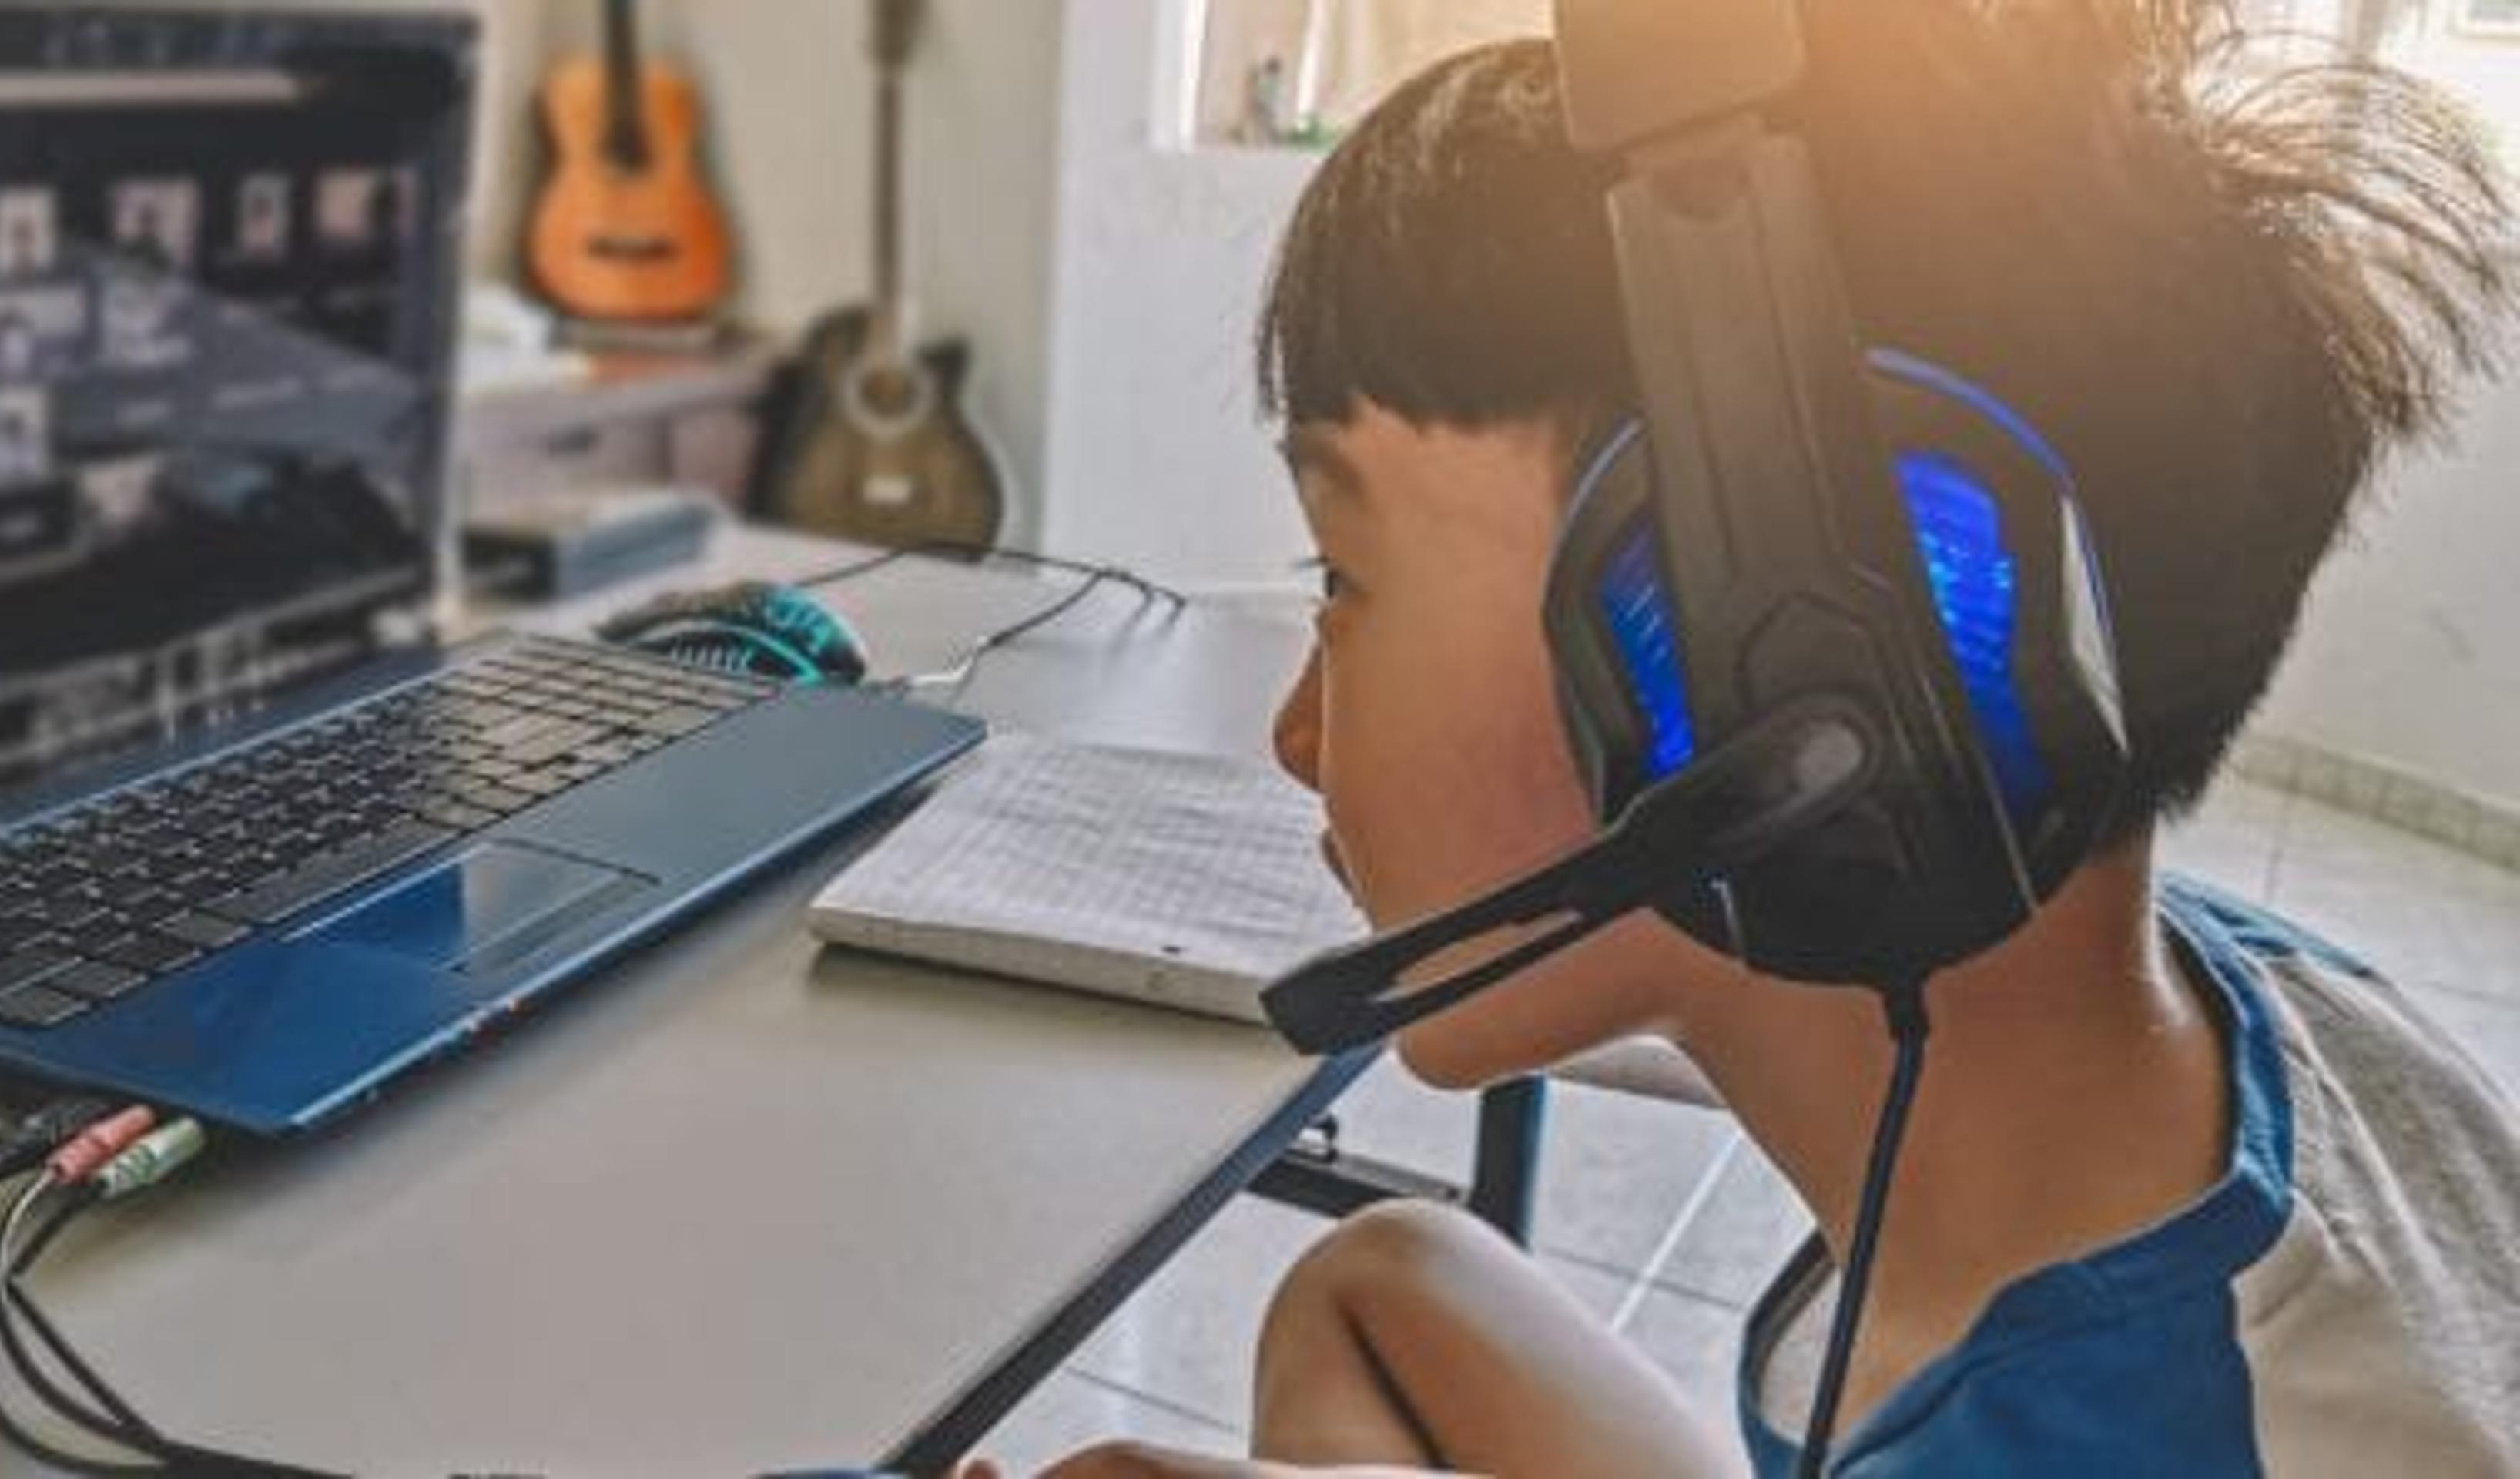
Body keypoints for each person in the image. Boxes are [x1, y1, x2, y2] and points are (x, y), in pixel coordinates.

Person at [1000, 3, 2520, 1475]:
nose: (1296, 733)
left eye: (1345, 578)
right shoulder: (2216, 995)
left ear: (1773, 671)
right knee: (1387, 1282)